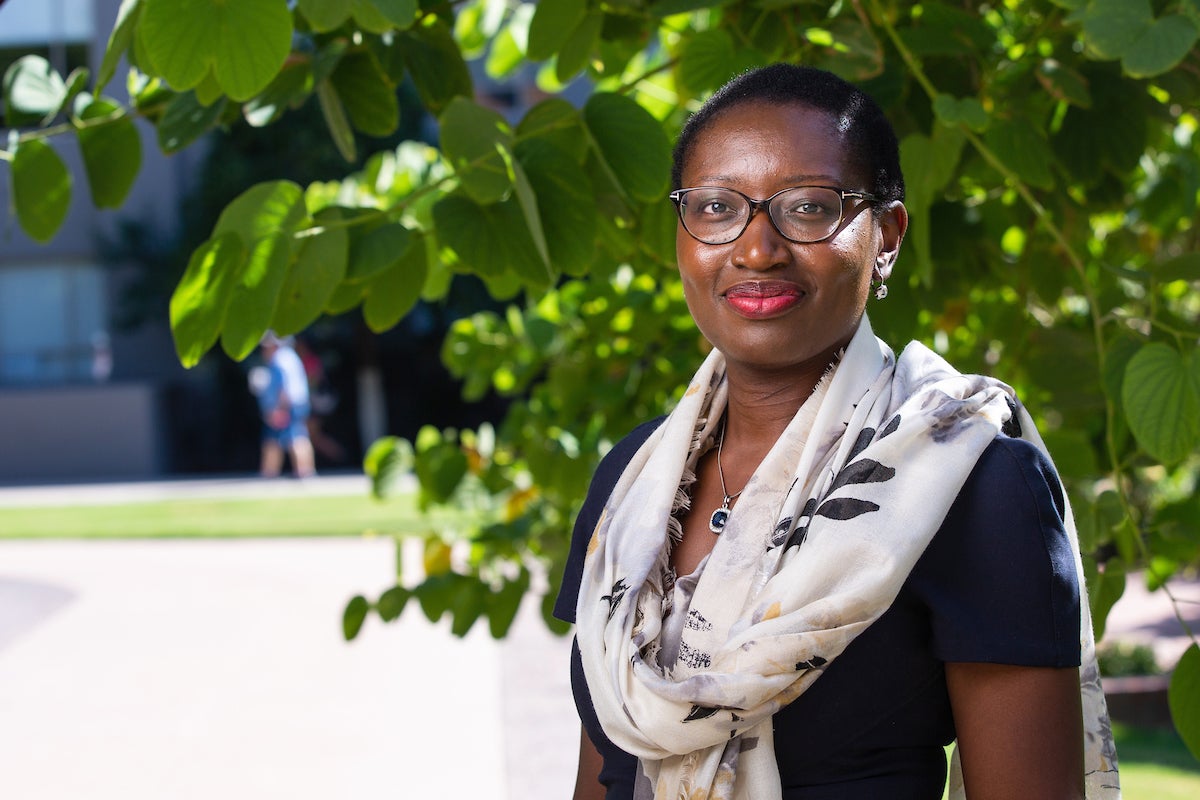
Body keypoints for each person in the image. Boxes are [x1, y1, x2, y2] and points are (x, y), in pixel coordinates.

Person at [554, 64, 1119, 800]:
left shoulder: (971, 486)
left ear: (886, 234)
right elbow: (601, 779)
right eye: (717, 207)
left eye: (811, 208)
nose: (756, 249)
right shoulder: (631, 481)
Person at [254, 332, 316, 478]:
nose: (264, 350)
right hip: (297, 403)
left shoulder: (279, 359)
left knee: (293, 437)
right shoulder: (290, 357)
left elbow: (283, 388)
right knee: (292, 436)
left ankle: (301, 472)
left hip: (287, 405)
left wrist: (279, 409)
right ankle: (275, 472)